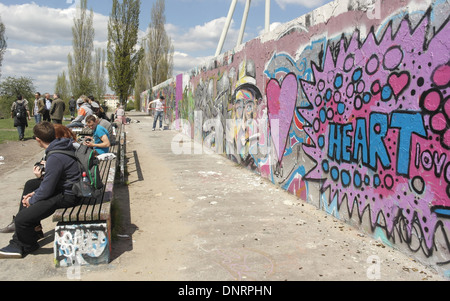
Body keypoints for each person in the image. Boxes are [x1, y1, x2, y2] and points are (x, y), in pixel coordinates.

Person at [0, 122, 81, 258]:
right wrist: (34, 193)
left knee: (21, 219)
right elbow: (49, 183)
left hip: (69, 195)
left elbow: (47, 189)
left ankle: (24, 245)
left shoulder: (55, 156)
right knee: (31, 185)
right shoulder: (62, 145)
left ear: (38, 139)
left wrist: (32, 200)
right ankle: (33, 231)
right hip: (66, 187)